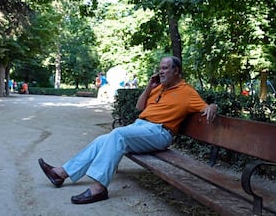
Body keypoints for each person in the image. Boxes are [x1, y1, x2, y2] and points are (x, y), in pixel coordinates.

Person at [38, 56, 218, 204]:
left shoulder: (187, 92)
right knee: (103, 139)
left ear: (176, 71)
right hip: (140, 128)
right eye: (160, 68)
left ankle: (99, 188)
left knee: (117, 135)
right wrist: (149, 86)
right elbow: (140, 107)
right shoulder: (158, 88)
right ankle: (60, 173)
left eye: (165, 68)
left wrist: (212, 106)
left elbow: (205, 107)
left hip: (160, 133)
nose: (160, 71)